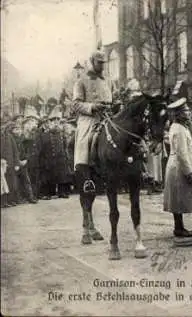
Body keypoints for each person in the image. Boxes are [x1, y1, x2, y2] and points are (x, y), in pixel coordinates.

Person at [71, 50, 112, 244]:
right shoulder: (81, 81)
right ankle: (83, 168)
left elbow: (110, 100)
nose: (102, 66)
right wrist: (93, 107)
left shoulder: (108, 80)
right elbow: (76, 105)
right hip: (88, 120)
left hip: (105, 118)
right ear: (92, 62)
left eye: (103, 63)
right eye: (99, 62)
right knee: (85, 142)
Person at [163, 98, 192, 238]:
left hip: (177, 165)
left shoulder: (180, 127)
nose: (189, 113)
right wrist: (188, 172)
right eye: (186, 111)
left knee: (178, 198)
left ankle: (179, 227)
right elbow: (182, 153)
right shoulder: (178, 129)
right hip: (179, 167)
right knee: (178, 198)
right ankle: (178, 228)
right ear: (179, 114)